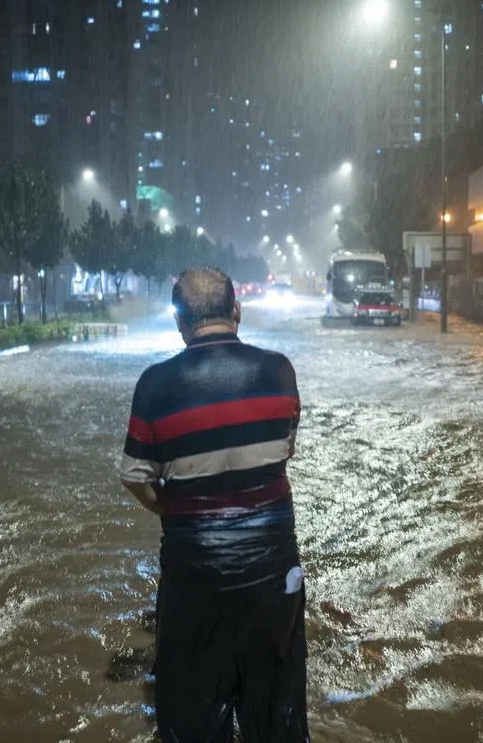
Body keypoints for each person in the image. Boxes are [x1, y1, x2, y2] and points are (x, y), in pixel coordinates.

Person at [120, 267, 309, 742]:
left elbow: (134, 476)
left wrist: (172, 510)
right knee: (277, 717)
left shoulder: (155, 385)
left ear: (180, 324)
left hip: (194, 576)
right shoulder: (279, 371)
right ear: (237, 312)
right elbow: (285, 449)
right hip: (273, 575)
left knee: (194, 721)